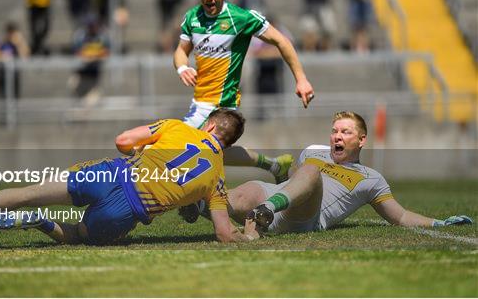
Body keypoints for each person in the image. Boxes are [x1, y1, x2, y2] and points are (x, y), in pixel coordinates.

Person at [0, 109, 260, 245]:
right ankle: (40, 222)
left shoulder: (178, 126)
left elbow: (123, 140)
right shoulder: (217, 175)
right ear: (228, 142)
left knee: (30, 190)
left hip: (112, 174)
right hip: (129, 210)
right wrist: (249, 235)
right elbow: (223, 234)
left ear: (210, 126)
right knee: (78, 235)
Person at [183, 111, 474, 232]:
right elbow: (290, 182)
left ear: (361, 140)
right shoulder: (313, 151)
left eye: (345, 132)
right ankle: (197, 204)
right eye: (334, 131)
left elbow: (399, 216)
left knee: (311, 173)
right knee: (246, 189)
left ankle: (263, 213)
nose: (336, 136)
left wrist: (438, 223)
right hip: (280, 198)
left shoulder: (371, 178)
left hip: (307, 217)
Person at [173, 0, 315, 184]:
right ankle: (274, 165)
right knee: (216, 150)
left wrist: (301, 79)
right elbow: (181, 51)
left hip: (224, 100)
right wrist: (182, 67)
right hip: (199, 101)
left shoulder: (241, 18)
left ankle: (199, 198)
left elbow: (281, 40)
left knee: (189, 146)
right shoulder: (192, 17)